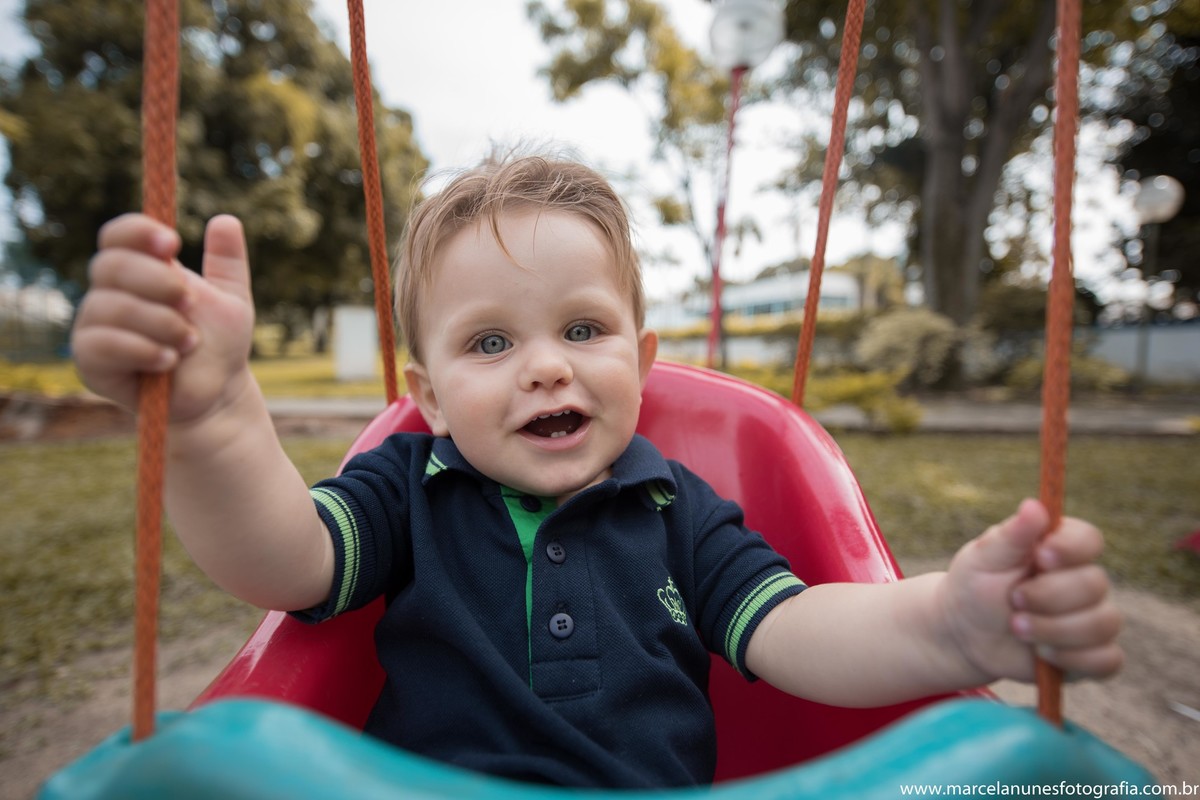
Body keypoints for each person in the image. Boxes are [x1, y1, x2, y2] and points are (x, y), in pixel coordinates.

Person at [71, 154, 1123, 789]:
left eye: (582, 326)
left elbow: (799, 628)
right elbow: (286, 561)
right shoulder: (409, 486)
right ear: (426, 394)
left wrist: (948, 625)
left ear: (643, 360)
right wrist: (212, 412)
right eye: (489, 344)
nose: (545, 364)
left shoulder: (680, 510)